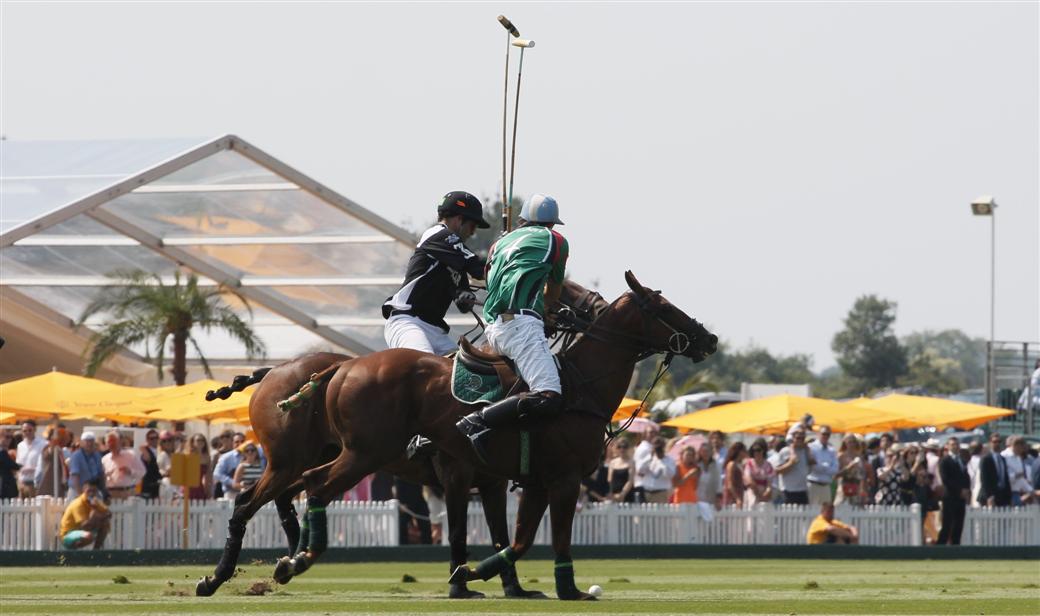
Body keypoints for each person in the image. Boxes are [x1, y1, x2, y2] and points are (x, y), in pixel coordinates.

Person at [456, 193, 568, 463]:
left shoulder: (499, 243)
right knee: (548, 394)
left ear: (522, 220)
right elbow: (553, 291)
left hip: (492, 326)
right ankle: (477, 422)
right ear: (552, 224)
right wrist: (548, 312)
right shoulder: (557, 241)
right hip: (520, 326)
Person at [382, 190, 488, 356]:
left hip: (435, 331)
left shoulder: (453, 257)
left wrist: (465, 297)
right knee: (426, 368)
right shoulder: (438, 235)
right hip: (408, 322)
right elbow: (477, 267)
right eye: (473, 226)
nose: (473, 232)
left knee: (462, 375)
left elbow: (460, 294)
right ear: (460, 220)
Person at [59, 479, 111, 550]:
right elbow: (84, 526)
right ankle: (73, 553)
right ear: (83, 490)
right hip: (67, 535)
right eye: (89, 491)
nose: (91, 493)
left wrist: (99, 517)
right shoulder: (78, 504)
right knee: (89, 536)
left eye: (94, 491)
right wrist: (94, 514)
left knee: (105, 524)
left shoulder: (95, 501)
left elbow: (109, 514)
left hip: (82, 530)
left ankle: (96, 552)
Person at [937, 437, 971, 545]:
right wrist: (959, 490)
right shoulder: (944, 461)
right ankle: (940, 548)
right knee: (947, 525)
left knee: (958, 525)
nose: (955, 446)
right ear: (947, 446)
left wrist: (966, 490)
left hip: (961, 498)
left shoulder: (961, 460)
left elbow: (966, 476)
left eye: (957, 444)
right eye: (952, 444)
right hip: (950, 497)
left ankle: (955, 548)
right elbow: (946, 479)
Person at [101, 430, 145, 500]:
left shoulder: (130, 455)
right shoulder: (104, 459)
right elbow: (101, 478)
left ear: (120, 442)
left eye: (114, 441)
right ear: (106, 444)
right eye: (109, 441)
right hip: (111, 494)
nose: (112, 443)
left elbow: (142, 472)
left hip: (127, 492)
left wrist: (130, 471)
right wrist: (105, 475)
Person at [775, 428, 815, 505]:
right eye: (798, 438)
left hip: (802, 490)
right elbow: (777, 470)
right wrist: (790, 463)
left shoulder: (805, 451)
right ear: (793, 438)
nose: (800, 440)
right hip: (788, 491)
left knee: (803, 516)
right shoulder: (785, 451)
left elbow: (810, 467)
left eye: (802, 438)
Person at [67, 431, 104, 501]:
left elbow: (101, 474)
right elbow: (75, 476)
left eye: (91, 441)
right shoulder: (76, 456)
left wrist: (103, 490)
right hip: (77, 491)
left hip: (93, 491)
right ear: (81, 443)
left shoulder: (97, 456)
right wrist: (80, 495)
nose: (89, 444)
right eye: (87, 441)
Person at [978, 432, 1012, 507]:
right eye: (994, 442)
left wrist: (1009, 496)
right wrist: (989, 496)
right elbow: (984, 479)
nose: (997, 444)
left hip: (1003, 496)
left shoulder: (1003, 458)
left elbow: (1005, 478)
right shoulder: (986, 459)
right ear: (990, 443)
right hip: (991, 496)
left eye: (999, 442)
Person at [15, 420, 46, 498]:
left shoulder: (43, 444)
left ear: (35, 430)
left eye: (30, 430)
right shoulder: (20, 446)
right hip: (23, 482)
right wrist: (19, 480)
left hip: (37, 483)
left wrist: (34, 469)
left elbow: (45, 464)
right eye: (25, 431)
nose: (27, 433)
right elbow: (18, 464)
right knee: (23, 508)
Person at [807, 425, 837, 506]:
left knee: (825, 512)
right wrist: (827, 467)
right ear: (818, 433)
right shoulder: (811, 447)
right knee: (811, 511)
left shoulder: (832, 450)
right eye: (824, 434)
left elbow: (835, 469)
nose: (826, 436)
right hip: (813, 484)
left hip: (826, 486)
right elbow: (814, 467)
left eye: (828, 434)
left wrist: (822, 466)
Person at [834, 435, 867, 506]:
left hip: (856, 486)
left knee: (856, 508)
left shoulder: (859, 457)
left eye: (853, 442)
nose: (851, 444)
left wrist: (862, 489)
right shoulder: (841, 456)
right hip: (844, 486)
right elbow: (836, 475)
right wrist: (849, 467)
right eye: (849, 442)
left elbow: (863, 474)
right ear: (845, 443)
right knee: (840, 506)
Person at [743, 438, 774, 506]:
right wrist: (758, 494)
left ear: (763, 450)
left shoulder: (768, 465)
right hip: (752, 491)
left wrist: (766, 493)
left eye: (758, 450)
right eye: (754, 450)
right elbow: (749, 480)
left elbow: (769, 483)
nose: (756, 452)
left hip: (764, 492)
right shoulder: (749, 463)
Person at [1002, 436, 1033, 506]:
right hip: (1006, 493)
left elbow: (1021, 479)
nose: (1022, 451)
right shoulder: (1004, 456)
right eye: (1021, 448)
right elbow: (1003, 477)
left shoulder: (1018, 458)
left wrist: (1031, 491)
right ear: (1016, 445)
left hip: (1016, 493)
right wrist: (1016, 475)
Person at [606, 438, 636, 503]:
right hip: (613, 495)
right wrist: (611, 493)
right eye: (619, 447)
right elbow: (609, 480)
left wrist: (622, 494)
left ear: (628, 448)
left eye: (624, 447)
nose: (622, 449)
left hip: (627, 495)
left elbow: (630, 481)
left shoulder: (631, 462)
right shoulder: (613, 462)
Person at [185, 433, 213, 500]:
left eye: (202, 440)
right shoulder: (189, 456)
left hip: (200, 487)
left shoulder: (207, 457)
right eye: (198, 440)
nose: (201, 442)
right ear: (193, 442)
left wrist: (208, 489)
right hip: (189, 487)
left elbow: (208, 475)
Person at [722, 442, 748, 508]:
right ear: (739, 452)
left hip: (740, 494)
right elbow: (730, 484)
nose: (745, 453)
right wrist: (737, 498)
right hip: (732, 498)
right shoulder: (732, 464)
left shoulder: (740, 464)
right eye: (744, 450)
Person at [695, 443, 721, 508]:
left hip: (711, 498)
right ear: (700, 452)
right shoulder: (696, 465)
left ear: (711, 452)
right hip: (697, 498)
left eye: (708, 451)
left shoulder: (716, 465)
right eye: (703, 451)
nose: (706, 453)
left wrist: (718, 498)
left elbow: (719, 482)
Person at [139, 429, 161, 499]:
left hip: (159, 485)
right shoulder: (146, 451)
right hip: (149, 486)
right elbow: (147, 458)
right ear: (147, 440)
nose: (154, 440)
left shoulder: (160, 450)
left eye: (156, 438)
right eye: (152, 438)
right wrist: (143, 448)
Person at [0, 429, 21, 498]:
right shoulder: (2, 452)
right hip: (4, 488)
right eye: (7, 437)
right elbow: (13, 466)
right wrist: (23, 466)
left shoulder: (5, 451)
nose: (9, 439)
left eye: (11, 437)